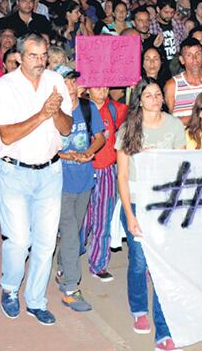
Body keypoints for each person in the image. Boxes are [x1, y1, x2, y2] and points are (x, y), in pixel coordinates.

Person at [0, 33, 73, 325]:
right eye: (33, 56)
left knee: (46, 242)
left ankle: (36, 300)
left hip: (50, 172)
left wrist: (56, 111)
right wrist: (41, 114)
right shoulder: (5, 86)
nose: (40, 62)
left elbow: (66, 128)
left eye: (43, 55)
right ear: (19, 57)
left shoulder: (56, 81)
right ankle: (10, 288)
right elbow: (7, 135)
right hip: (15, 172)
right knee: (19, 240)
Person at [116, 80, 184, 351]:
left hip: (164, 205)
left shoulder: (174, 125)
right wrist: (130, 216)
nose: (155, 98)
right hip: (136, 203)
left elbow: (182, 166)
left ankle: (164, 331)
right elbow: (121, 175)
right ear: (139, 100)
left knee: (161, 269)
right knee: (139, 262)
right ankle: (138, 307)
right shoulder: (128, 129)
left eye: (158, 94)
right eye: (149, 95)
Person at [52, 66, 105, 312]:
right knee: (71, 232)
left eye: (73, 81)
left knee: (76, 231)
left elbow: (100, 137)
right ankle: (71, 287)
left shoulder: (87, 107)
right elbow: (44, 146)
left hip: (84, 179)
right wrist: (64, 154)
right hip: (59, 183)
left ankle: (63, 266)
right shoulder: (52, 112)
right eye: (66, 81)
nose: (71, 86)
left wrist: (88, 152)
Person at [83, 85, 127, 282]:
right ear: (87, 89)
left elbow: (133, 115)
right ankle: (70, 257)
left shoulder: (115, 109)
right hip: (84, 169)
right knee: (83, 218)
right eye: (96, 87)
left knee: (103, 217)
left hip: (107, 170)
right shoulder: (81, 108)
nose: (101, 90)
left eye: (104, 87)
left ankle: (99, 263)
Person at [165, 37, 202, 125]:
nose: (194, 59)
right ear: (182, 60)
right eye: (189, 55)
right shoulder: (172, 85)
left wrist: (186, 120)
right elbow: (168, 122)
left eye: (198, 54)